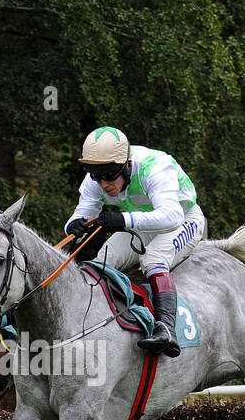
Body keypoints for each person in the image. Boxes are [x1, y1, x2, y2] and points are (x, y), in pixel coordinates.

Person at [64, 127, 203, 357]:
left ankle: (167, 329)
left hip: (183, 220)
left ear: (127, 165)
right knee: (103, 260)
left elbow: (171, 216)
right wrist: (74, 225)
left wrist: (122, 219)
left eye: (109, 175)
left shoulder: (155, 167)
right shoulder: (98, 178)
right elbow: (83, 211)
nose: (103, 184)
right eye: (96, 176)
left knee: (153, 259)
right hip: (143, 224)